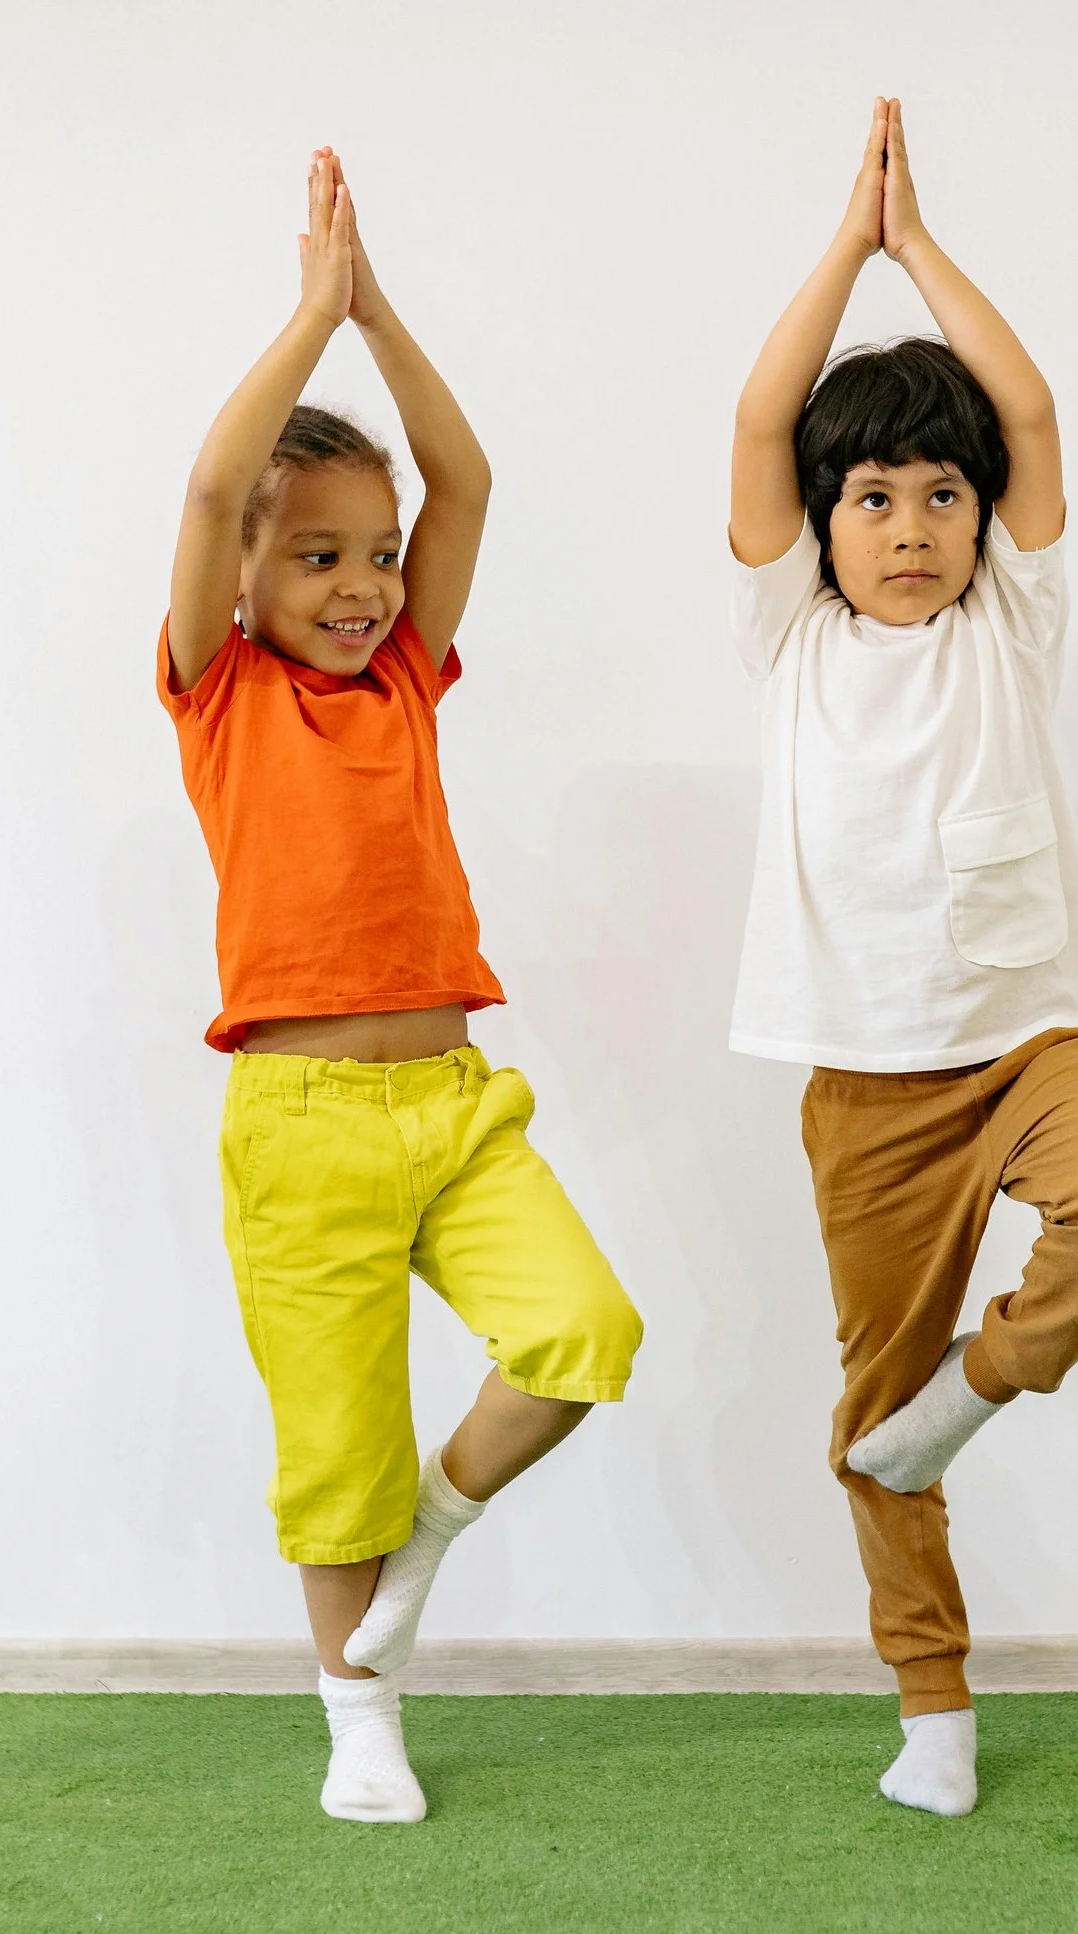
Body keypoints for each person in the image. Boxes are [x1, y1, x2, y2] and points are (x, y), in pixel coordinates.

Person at [162, 151, 643, 1823]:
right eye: (319, 560)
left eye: (377, 557)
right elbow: (219, 488)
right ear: (244, 581)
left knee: (586, 1333)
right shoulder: (217, 694)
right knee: (339, 1453)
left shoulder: (409, 686)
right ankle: (358, 1710)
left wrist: (376, 310)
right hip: (298, 1125)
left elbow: (466, 473)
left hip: (453, 1105)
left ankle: (433, 1539)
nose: (363, 585)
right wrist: (307, 318)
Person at [728, 101, 1078, 1816]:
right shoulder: (792, 640)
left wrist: (923, 250)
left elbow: (1034, 412)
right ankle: (933, 1711)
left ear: (985, 525)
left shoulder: (1014, 621)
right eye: (873, 498)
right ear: (822, 524)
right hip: (866, 1082)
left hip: (1033, 1042)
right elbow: (765, 416)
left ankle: (986, 1380)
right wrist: (845, 251)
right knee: (873, 1413)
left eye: (942, 496)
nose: (912, 523)